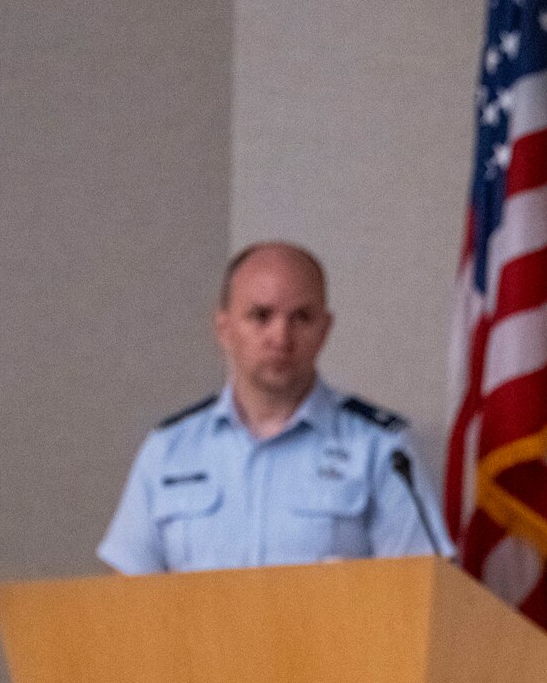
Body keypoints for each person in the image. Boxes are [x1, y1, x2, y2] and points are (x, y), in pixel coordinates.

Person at [98, 241, 447, 574]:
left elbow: (423, 592)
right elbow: (128, 601)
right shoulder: (169, 450)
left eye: (301, 318)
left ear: (324, 330)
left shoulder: (382, 448)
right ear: (224, 329)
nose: (280, 337)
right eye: (260, 316)